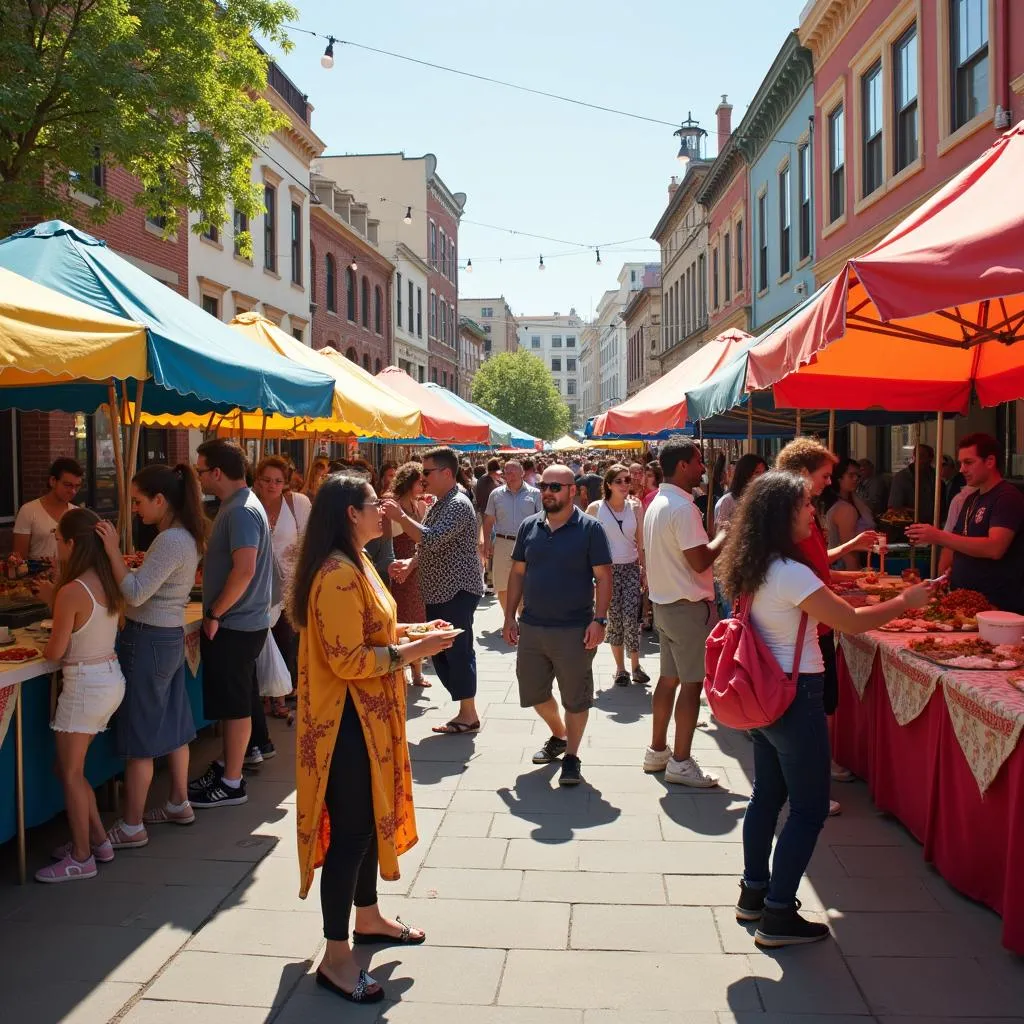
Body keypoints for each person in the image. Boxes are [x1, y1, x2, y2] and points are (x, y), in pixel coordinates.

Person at [721, 470, 936, 947]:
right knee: (810, 808)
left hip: (765, 694)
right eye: (803, 507)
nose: (811, 513)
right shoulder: (789, 571)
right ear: (782, 515)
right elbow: (851, 621)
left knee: (766, 797)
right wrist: (907, 599)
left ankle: (753, 894)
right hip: (796, 697)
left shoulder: (755, 564)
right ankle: (778, 914)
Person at [290, 473, 455, 1004]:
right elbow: (349, 659)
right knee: (354, 835)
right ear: (349, 514)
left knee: (363, 829)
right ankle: (337, 959)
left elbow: (373, 633)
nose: (382, 510)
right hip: (346, 724)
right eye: (371, 503)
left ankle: (368, 918)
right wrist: (415, 653)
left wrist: (418, 633)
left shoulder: (356, 561)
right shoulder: (336, 573)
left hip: (368, 718)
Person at [94, 465, 205, 847]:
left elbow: (136, 593)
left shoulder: (171, 540)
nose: (135, 508)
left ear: (161, 500)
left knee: (141, 734)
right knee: (174, 724)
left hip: (149, 638)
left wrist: (112, 552)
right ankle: (178, 801)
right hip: (167, 636)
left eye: (139, 501)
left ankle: (131, 825)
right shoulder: (181, 536)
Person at [776, 438, 877, 804]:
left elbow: (817, 566)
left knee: (818, 708)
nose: (829, 482)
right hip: (808, 628)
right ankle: (813, 785)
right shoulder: (793, 516)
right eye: (825, 475)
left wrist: (849, 560)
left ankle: (812, 777)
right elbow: (807, 577)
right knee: (816, 709)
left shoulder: (804, 511)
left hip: (813, 624)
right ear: (803, 474)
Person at [503, 465, 612, 786]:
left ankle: (572, 757)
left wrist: (600, 619)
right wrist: (509, 616)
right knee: (534, 692)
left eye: (555, 487)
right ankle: (560, 735)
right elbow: (518, 572)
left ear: (573, 491)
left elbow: (605, 577)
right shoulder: (529, 526)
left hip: (575, 629)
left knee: (575, 697)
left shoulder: (590, 528)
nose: (547, 492)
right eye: (544, 487)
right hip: (533, 626)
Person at [35, 509, 126, 882]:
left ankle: (81, 855)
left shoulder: (72, 590)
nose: (56, 547)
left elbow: (55, 651)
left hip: (85, 685)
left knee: (70, 773)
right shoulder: (108, 580)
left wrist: (53, 603)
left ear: (72, 544)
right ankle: (99, 841)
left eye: (58, 540)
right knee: (69, 770)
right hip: (108, 679)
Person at [188, 439, 273, 808]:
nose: (199, 477)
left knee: (236, 704)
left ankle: (232, 782)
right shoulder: (240, 505)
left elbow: (245, 569)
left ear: (217, 473)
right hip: (241, 621)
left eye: (201, 470)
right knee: (234, 702)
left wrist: (215, 613)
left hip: (236, 624)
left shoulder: (240, 511)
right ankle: (229, 764)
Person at [382, 446, 484, 734]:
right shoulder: (442, 501)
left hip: (456, 590)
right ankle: (466, 710)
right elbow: (428, 544)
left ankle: (468, 713)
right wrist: (412, 563)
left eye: (427, 472)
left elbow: (432, 538)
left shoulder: (457, 504)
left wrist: (400, 517)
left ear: (447, 473)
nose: (423, 477)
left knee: (457, 651)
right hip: (439, 590)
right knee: (440, 652)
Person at [642, 440, 727, 786]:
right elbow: (700, 560)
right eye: (697, 462)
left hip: (665, 604)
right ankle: (679, 760)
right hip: (687, 608)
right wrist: (723, 535)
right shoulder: (681, 507)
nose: (702, 468)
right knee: (691, 686)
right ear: (681, 467)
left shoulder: (658, 504)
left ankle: (658, 750)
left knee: (669, 679)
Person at [908, 433, 1024, 613]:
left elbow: (995, 548)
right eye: (961, 463)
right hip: (962, 601)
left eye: (968, 462)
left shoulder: (1007, 497)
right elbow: (956, 542)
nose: (961, 469)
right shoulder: (971, 499)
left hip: (995, 606)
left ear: (990, 461)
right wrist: (942, 577)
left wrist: (938, 535)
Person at [255, 456, 311, 728]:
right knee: (262, 640)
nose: (272, 485)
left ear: (285, 483)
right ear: (257, 480)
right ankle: (265, 694)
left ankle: (280, 695)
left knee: (285, 639)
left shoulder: (297, 503)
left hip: (289, 583)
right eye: (266, 480)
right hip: (257, 584)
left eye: (278, 481)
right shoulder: (249, 505)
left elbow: (311, 537)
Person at [586, 465, 648, 687]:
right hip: (606, 572)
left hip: (631, 568)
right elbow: (587, 542)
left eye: (627, 480)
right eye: (619, 481)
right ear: (609, 484)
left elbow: (641, 542)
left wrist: (645, 570)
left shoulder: (636, 506)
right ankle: (620, 669)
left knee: (631, 617)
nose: (624, 485)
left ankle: (636, 665)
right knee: (615, 620)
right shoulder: (595, 508)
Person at [386, 463, 430, 686]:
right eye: (420, 481)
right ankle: (400, 670)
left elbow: (427, 540)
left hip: (416, 568)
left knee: (417, 618)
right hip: (398, 569)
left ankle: (418, 671)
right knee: (400, 619)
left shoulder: (420, 505)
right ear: (409, 481)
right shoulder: (392, 504)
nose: (423, 485)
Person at [482, 460, 542, 615]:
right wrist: (486, 542)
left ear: (522, 473)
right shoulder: (496, 494)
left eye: (514, 471)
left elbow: (542, 520)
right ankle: (508, 617)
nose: (511, 475)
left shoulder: (535, 494)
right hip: (502, 542)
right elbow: (488, 520)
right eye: (507, 472)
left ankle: (523, 619)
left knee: (525, 584)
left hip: (527, 543)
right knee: (502, 584)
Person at [13, 457, 84, 561]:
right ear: (53, 481)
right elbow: (19, 558)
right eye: (68, 485)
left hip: (69, 574)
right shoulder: (28, 511)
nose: (73, 491)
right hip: (36, 574)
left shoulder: (77, 513)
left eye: (77, 486)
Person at [822, 458, 875, 570]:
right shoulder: (845, 509)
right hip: (844, 568)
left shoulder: (852, 501)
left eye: (858, 475)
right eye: (851, 475)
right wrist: (855, 577)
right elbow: (849, 550)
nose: (856, 479)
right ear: (839, 478)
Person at [714, 454, 767, 533]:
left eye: (764, 473)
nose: (762, 477)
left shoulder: (765, 500)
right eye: (757, 473)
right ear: (745, 474)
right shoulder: (727, 502)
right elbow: (720, 535)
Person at [888, 443, 936, 524]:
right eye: (918, 456)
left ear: (931, 459)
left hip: (932, 525)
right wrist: (918, 511)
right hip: (909, 526)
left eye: (924, 456)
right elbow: (894, 508)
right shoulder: (902, 478)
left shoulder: (934, 476)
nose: (921, 460)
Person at [940, 454, 966, 518]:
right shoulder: (943, 483)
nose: (940, 468)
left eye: (943, 465)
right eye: (938, 465)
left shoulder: (962, 480)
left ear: (951, 466)